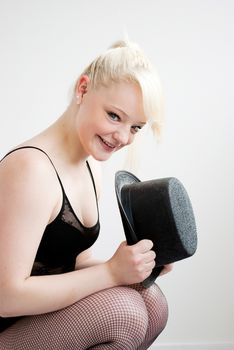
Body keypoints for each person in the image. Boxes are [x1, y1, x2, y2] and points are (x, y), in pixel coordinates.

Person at [0, 39, 172, 349]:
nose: (122, 137)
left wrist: (135, 266)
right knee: (124, 313)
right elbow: (5, 296)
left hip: (33, 322)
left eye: (135, 127)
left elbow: (71, 263)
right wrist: (110, 273)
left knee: (151, 301)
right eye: (114, 116)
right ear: (83, 89)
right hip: (6, 325)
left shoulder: (92, 166)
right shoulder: (31, 169)